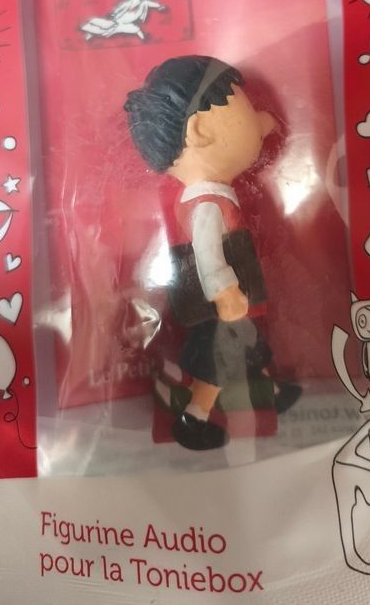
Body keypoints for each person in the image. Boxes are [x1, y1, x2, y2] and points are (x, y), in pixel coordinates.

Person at [125, 56, 300, 451]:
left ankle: (272, 391)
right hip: (221, 305)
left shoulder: (207, 196)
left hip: (226, 305)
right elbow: (207, 253)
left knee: (249, 346)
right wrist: (224, 291)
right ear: (201, 131)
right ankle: (194, 418)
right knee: (218, 363)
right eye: (245, 111)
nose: (261, 121)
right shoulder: (207, 204)